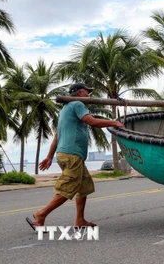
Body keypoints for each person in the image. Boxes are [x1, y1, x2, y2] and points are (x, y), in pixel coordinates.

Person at [26, 83, 125, 230]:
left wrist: (49, 156)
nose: (89, 95)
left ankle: (80, 220)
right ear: (79, 92)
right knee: (68, 188)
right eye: (87, 92)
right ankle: (41, 215)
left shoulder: (65, 109)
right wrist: (114, 122)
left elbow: (57, 136)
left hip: (67, 154)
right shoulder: (77, 104)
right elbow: (91, 121)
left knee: (83, 187)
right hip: (72, 155)